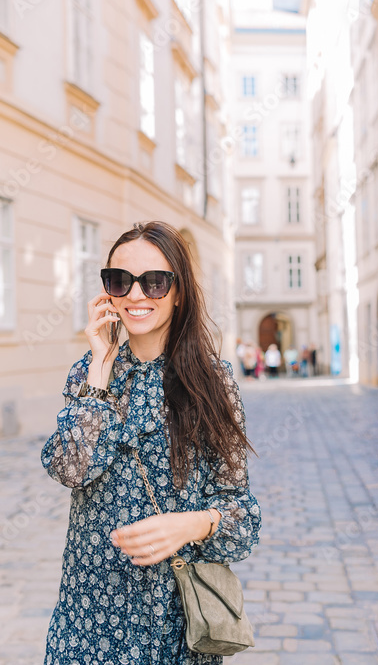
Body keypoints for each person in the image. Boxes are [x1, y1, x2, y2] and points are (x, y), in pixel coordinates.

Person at [41, 221, 261, 665]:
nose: (136, 295)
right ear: (107, 292)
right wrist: (99, 374)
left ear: (178, 291)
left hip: (172, 628)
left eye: (154, 282)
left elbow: (243, 518)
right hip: (88, 622)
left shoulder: (212, 384)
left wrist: (193, 524)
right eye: (120, 281)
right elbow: (70, 468)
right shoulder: (89, 373)